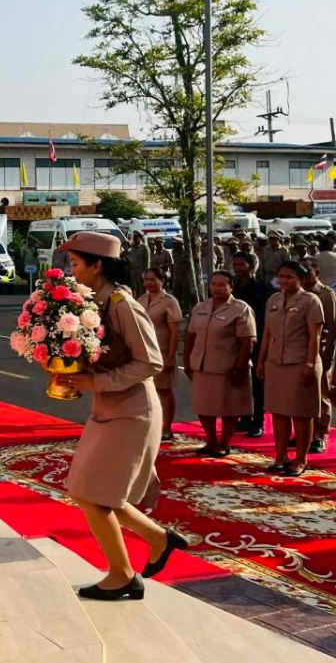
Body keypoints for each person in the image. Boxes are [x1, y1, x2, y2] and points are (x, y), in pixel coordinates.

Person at [55, 231, 186, 601]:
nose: (71, 270)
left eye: (77, 264)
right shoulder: (90, 302)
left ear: (98, 266)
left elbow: (152, 361)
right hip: (109, 407)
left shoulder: (121, 304)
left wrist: (99, 381)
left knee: (92, 495)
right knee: (89, 491)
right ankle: (159, 539)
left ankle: (122, 574)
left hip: (132, 412)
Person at [257, 261, 323, 476]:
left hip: (300, 362)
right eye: (282, 277)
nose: (285, 281)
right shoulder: (274, 300)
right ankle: (280, 456)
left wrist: (310, 364)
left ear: (301, 279)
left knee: (301, 413)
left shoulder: (311, 301)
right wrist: (261, 360)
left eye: (290, 277)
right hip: (276, 362)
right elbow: (267, 333)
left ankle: (301, 459)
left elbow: (315, 336)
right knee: (278, 412)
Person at [183, 271, 256, 457]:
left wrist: (239, 368)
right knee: (203, 406)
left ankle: (224, 442)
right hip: (202, 365)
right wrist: (187, 360)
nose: (216, 288)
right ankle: (211, 441)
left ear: (231, 286)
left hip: (228, 367)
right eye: (213, 284)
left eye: (222, 285)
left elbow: (247, 342)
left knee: (229, 408)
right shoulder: (201, 307)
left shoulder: (241, 309)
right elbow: (191, 336)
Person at [138, 268, 182, 441]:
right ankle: (149, 425)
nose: (149, 283)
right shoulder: (141, 299)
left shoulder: (169, 301)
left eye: (153, 279)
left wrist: (171, 356)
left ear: (162, 280)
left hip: (162, 351)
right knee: (145, 391)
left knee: (164, 391)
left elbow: (174, 333)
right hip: (142, 353)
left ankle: (166, 428)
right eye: (146, 279)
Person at [231, 252, 271, 438]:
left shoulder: (262, 288)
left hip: (256, 338)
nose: (237, 268)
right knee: (239, 381)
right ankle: (244, 418)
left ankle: (258, 421)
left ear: (251, 266)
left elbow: (264, 318)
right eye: (236, 264)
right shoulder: (233, 286)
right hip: (234, 339)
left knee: (257, 383)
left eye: (241, 264)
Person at [302, 257, 335, 454]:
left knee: (321, 394)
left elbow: (332, 327)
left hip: (321, 350)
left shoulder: (326, 294)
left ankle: (320, 435)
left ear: (317, 273)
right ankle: (304, 431)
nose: (304, 276)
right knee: (301, 394)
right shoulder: (296, 294)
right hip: (298, 349)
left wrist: (329, 352)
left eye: (308, 271)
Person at [128, 232, 150, 296]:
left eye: (136, 238)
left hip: (140, 270)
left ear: (140, 238)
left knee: (142, 288)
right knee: (135, 288)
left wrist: (145, 273)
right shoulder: (132, 247)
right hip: (133, 270)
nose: (134, 239)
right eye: (134, 238)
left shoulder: (144, 248)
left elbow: (147, 261)